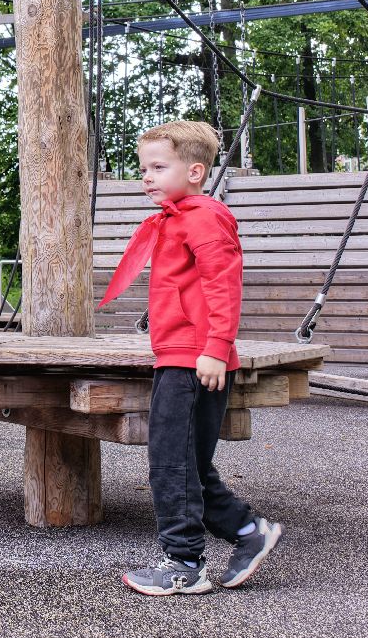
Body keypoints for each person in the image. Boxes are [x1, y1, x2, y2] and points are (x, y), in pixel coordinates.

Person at [101, 120, 282, 595]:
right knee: (189, 466)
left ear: (196, 171)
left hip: (194, 359)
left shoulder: (204, 217)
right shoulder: (177, 217)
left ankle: (184, 563)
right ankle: (248, 531)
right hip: (179, 356)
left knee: (169, 464)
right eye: (144, 169)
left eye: (159, 167)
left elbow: (224, 286)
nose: (147, 177)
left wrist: (215, 349)